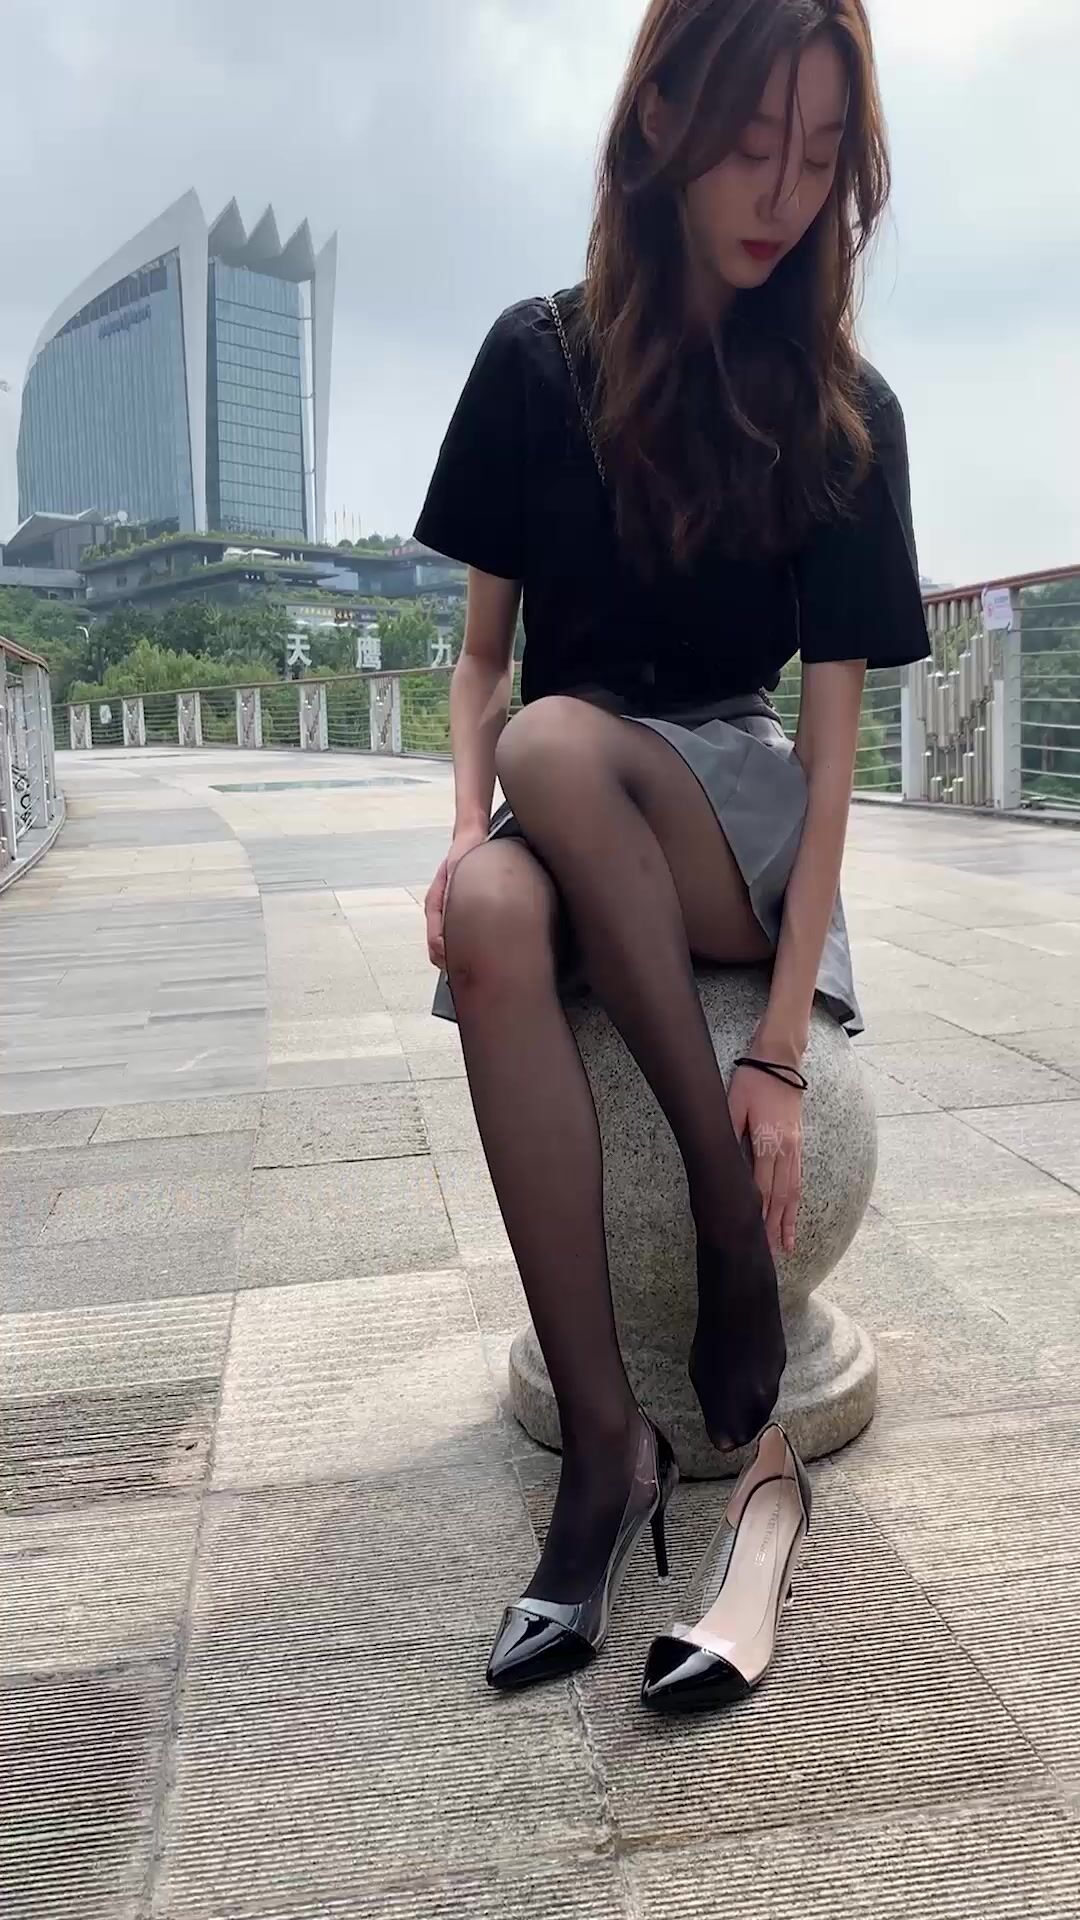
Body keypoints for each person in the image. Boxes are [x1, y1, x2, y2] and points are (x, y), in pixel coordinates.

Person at [414, 0, 930, 1708]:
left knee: (557, 745)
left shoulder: (844, 410)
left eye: (821, 155)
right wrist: (456, 838)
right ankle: (605, 1455)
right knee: (496, 905)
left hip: (733, 817)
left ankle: (722, 1209)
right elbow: (480, 662)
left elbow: (835, 758)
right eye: (750, 143)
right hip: (568, 808)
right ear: (661, 124)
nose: (785, 192)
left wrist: (777, 1043)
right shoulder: (534, 360)